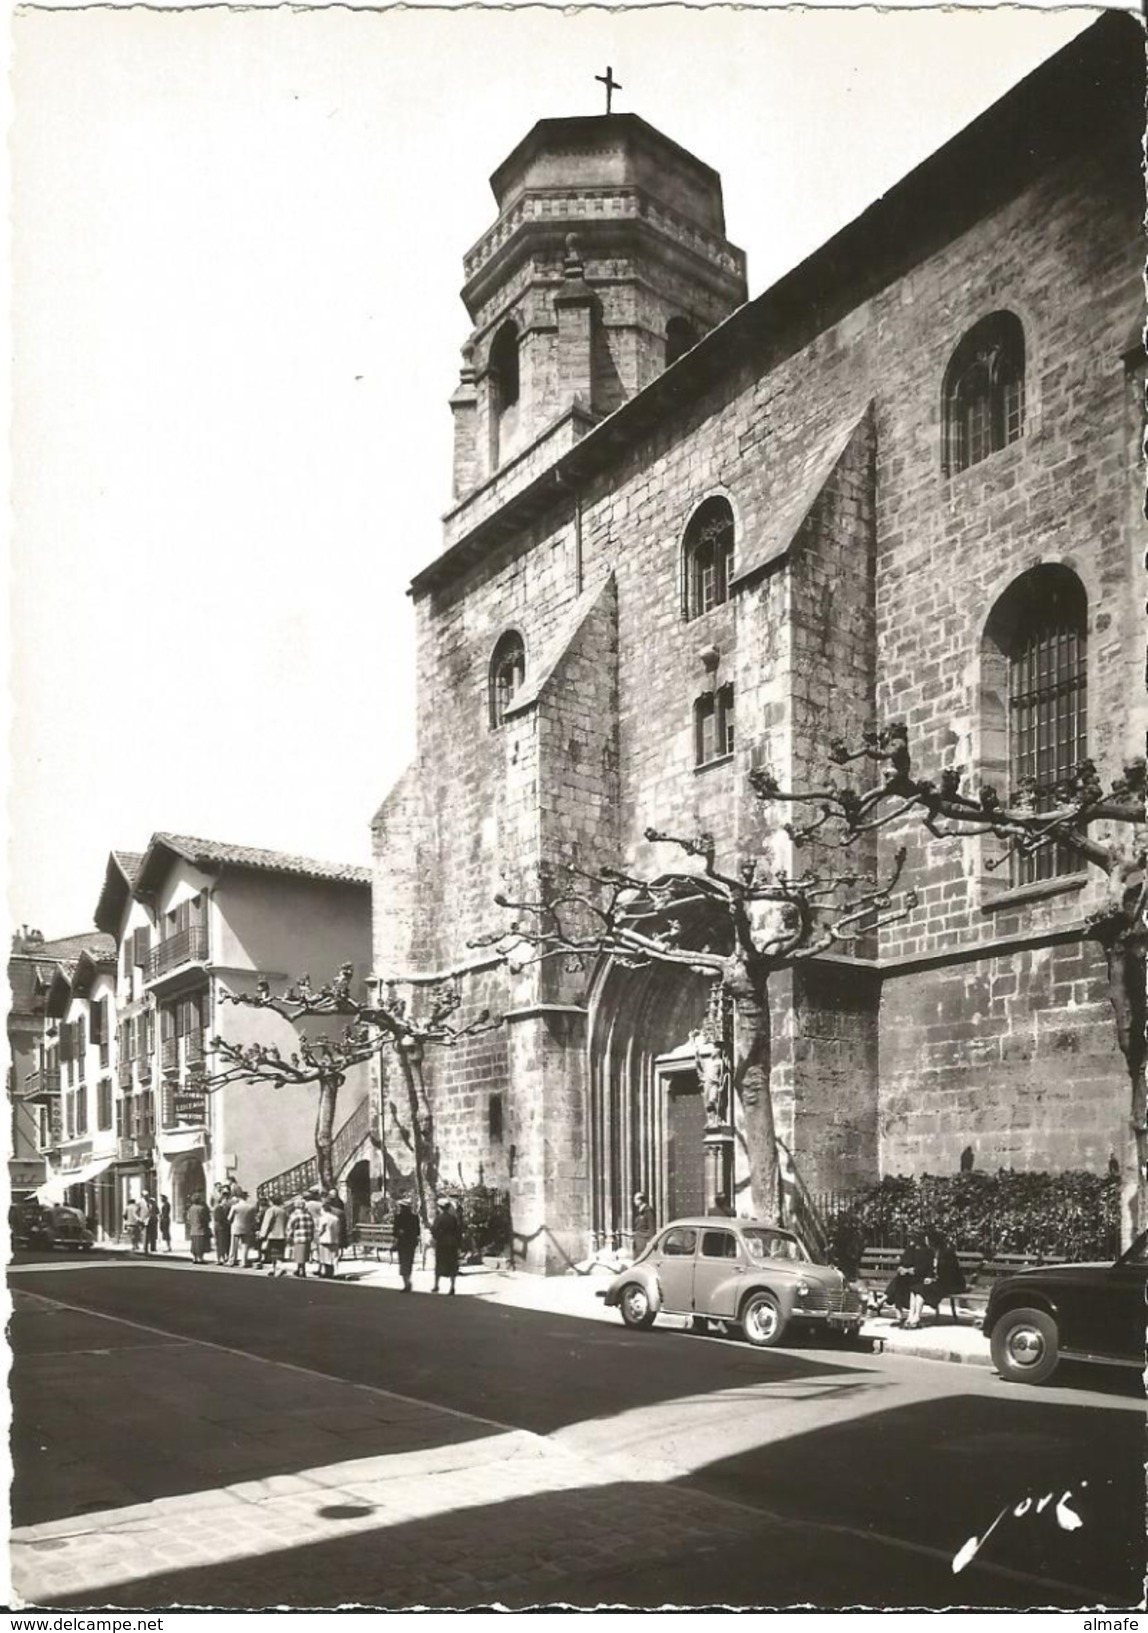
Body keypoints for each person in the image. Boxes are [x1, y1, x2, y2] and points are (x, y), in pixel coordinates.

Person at [886, 1230, 934, 1328]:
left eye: (914, 1238)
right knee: (899, 1281)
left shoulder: (928, 1251)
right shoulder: (910, 1249)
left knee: (909, 1285)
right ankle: (900, 1316)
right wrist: (902, 1268)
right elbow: (904, 1261)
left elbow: (925, 1267)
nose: (912, 1240)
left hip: (920, 1277)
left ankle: (912, 1316)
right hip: (910, 1277)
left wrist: (911, 1270)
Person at [925, 1227, 967, 1323]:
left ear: (932, 1241)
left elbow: (948, 1275)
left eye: (927, 1239)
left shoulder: (947, 1254)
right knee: (919, 1287)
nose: (925, 1241)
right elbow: (932, 1270)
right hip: (941, 1282)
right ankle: (914, 1317)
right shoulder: (932, 1252)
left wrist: (933, 1280)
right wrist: (930, 1278)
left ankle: (918, 1316)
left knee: (924, 1288)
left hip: (952, 1284)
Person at [431, 1199, 462, 1294]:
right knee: (452, 1265)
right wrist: (459, 1244)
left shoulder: (439, 1218)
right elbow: (458, 1232)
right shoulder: (453, 1219)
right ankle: (452, 1287)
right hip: (452, 1244)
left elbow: (434, 1230)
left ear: (440, 1208)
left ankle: (436, 1285)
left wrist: (436, 1237)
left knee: (439, 1264)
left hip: (442, 1244)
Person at [393, 1199, 420, 1293]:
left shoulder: (398, 1217)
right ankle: (408, 1281)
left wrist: (400, 1234)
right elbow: (417, 1231)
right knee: (408, 1262)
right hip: (411, 1243)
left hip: (402, 1242)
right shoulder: (414, 1217)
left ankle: (406, 1283)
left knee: (403, 1262)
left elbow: (395, 1232)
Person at [259, 1193, 289, 1277]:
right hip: (282, 1234)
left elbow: (267, 1223)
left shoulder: (271, 1210)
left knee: (273, 1253)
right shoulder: (283, 1211)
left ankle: (281, 1267)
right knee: (279, 1252)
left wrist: (262, 1234)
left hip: (273, 1234)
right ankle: (273, 1268)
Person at [286, 1194, 315, 1277]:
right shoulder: (308, 1215)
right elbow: (312, 1226)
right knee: (304, 1254)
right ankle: (300, 1269)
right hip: (307, 1237)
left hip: (298, 1237)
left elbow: (290, 1226)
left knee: (299, 1255)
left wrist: (289, 1235)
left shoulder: (294, 1215)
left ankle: (301, 1270)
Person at [228, 1190, 259, 1268]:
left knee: (233, 1245)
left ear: (239, 1198)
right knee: (245, 1245)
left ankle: (232, 1260)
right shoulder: (251, 1207)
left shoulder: (235, 1207)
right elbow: (253, 1219)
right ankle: (244, 1261)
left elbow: (229, 1218)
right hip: (246, 1227)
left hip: (236, 1227)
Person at [316, 1197, 342, 1279]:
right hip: (334, 1239)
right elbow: (338, 1229)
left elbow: (322, 1229)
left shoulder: (323, 1218)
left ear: (323, 1210)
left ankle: (327, 1272)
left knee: (324, 1257)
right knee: (334, 1257)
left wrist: (318, 1234)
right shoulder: (335, 1218)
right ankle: (334, 1272)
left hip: (324, 1239)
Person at [185, 1194, 211, 1265]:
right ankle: (200, 1258)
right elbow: (205, 1218)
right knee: (200, 1244)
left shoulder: (191, 1208)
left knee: (194, 1244)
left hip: (193, 1229)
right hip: (200, 1229)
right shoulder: (201, 1208)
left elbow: (188, 1218)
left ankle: (195, 1258)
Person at [632, 1192, 655, 1257]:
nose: (634, 1201)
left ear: (640, 1200)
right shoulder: (639, 1211)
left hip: (644, 1241)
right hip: (638, 1240)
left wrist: (651, 1241)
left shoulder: (648, 1211)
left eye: (635, 1199)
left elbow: (652, 1227)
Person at [211, 1192, 232, 1265]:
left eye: (227, 1199)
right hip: (220, 1228)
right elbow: (219, 1218)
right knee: (220, 1243)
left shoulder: (227, 1208)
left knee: (226, 1243)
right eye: (225, 1200)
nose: (226, 1201)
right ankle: (220, 1258)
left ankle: (225, 1257)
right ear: (222, 1200)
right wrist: (227, 1222)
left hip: (225, 1228)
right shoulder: (218, 1208)